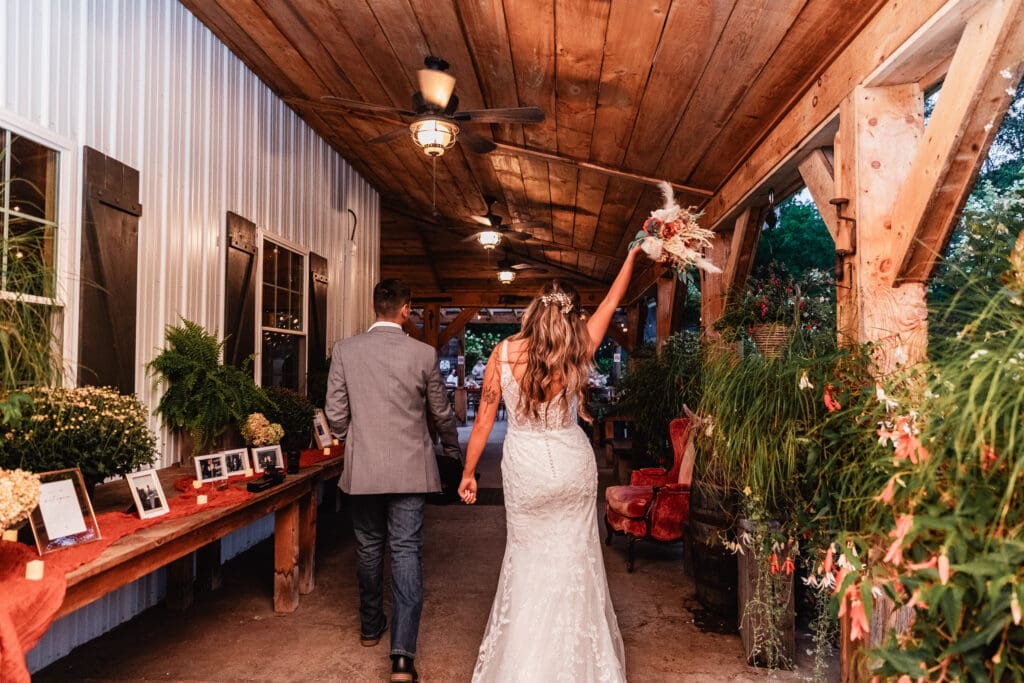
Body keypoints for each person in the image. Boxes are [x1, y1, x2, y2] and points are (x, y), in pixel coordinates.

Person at [458, 245, 646, 682]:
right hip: (572, 461)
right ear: (570, 315)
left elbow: (483, 421)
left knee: (526, 562)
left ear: (532, 312)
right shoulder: (577, 347)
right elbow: (611, 302)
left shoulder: (503, 354)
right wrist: (630, 257)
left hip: (526, 468)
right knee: (577, 559)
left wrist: (469, 473)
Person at [326, 278, 462, 683]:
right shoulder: (423, 353)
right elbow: (441, 413)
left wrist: (359, 439)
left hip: (363, 470)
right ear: (406, 310)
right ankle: (402, 658)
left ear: (374, 306)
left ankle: (370, 626)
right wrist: (453, 450)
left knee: (368, 548)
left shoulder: (345, 351)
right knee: (405, 553)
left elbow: (334, 416)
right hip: (410, 470)